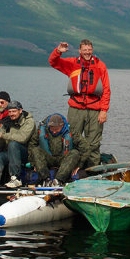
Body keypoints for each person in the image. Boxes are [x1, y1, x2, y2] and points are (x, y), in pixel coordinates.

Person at [49, 39, 111, 169]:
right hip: (75, 109)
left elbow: (106, 90)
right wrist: (58, 52)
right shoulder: (72, 63)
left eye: (89, 50)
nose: (87, 52)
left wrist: (104, 110)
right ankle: (70, 169)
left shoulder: (100, 66)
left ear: (92, 50)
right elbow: (53, 62)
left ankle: (92, 172)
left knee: (93, 143)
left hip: (95, 110)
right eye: (85, 50)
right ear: (80, 51)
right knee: (71, 140)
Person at [0, 101, 36, 188]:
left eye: (14, 111)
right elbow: (1, 145)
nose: (11, 114)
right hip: (10, 151)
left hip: (27, 153)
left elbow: (22, 138)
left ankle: (16, 178)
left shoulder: (29, 121)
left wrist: (3, 135)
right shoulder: (6, 122)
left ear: (20, 110)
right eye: (9, 112)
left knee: (13, 145)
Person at [29, 113, 81, 185]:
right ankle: (46, 179)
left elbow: (84, 147)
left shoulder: (71, 131)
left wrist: (79, 165)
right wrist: (34, 163)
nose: (54, 131)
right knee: (36, 150)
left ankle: (59, 180)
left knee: (75, 152)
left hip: (63, 159)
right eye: (52, 129)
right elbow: (32, 144)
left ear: (62, 126)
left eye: (56, 129)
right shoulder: (42, 130)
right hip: (48, 158)